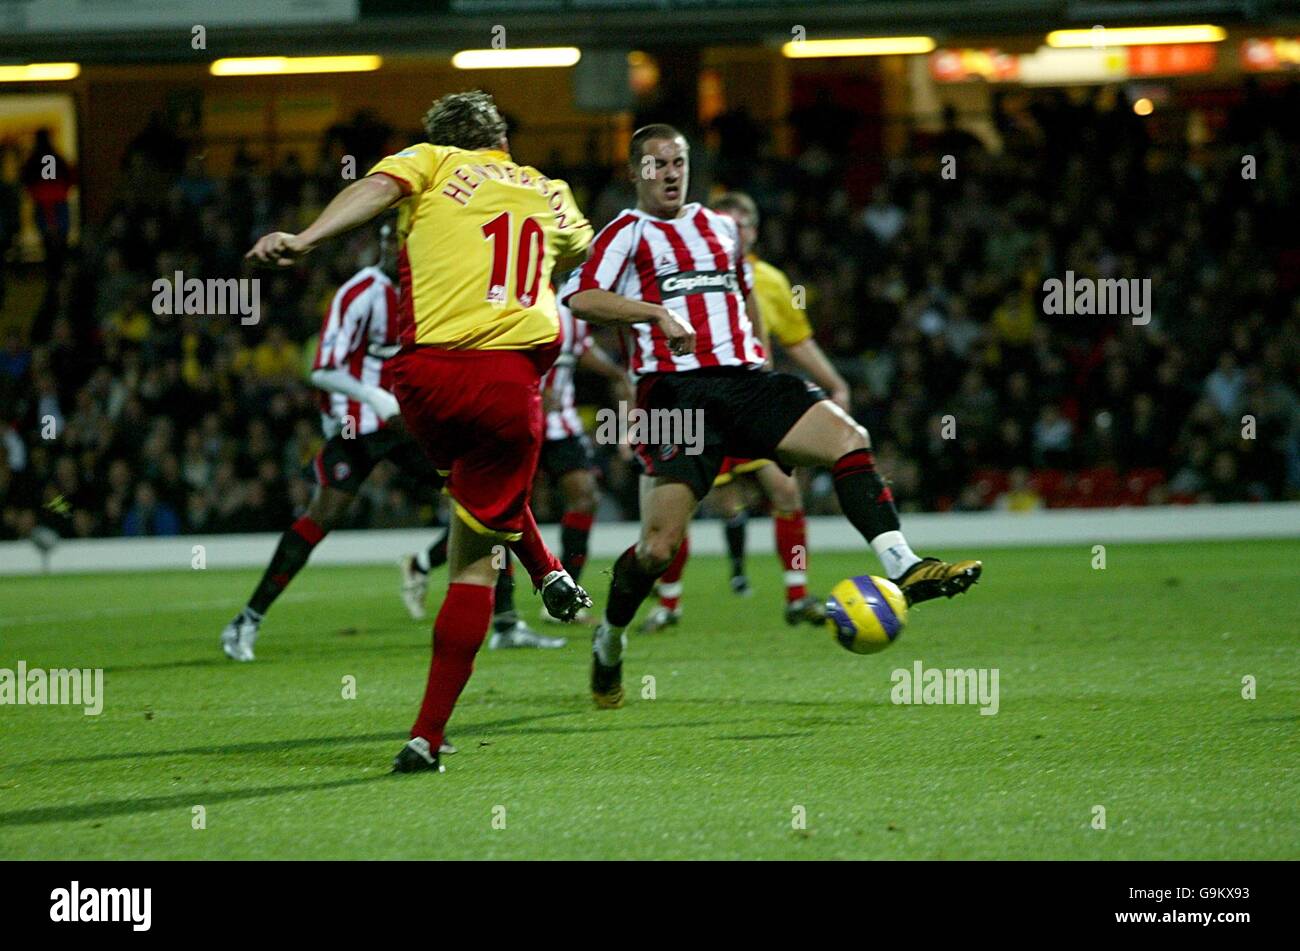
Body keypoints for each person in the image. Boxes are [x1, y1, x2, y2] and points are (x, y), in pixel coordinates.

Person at [565, 124, 982, 709]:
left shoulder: (721, 229)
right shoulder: (625, 234)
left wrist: (760, 355)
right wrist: (654, 313)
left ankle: (905, 564)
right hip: (674, 396)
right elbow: (581, 297)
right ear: (635, 172)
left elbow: (744, 299)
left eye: (678, 162)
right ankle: (610, 641)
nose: (669, 173)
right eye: (656, 164)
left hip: (747, 381)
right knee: (657, 549)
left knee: (849, 437)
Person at [246, 91, 594, 773]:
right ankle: (425, 736)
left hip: (421, 381)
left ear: (442, 135)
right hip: (506, 383)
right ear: (500, 137)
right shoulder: (552, 192)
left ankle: (547, 568)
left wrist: (305, 238)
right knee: (471, 557)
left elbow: (375, 187)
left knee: (473, 495)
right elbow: (581, 262)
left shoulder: (430, 162)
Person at [640, 190, 852, 633]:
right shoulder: (684, 268)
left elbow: (797, 339)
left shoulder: (771, 281)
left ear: (753, 232)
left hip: (752, 402)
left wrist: (834, 383)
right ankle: (669, 604)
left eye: (741, 227)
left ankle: (797, 595)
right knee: (683, 508)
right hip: (697, 404)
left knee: (786, 493)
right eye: (725, 225)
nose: (732, 234)